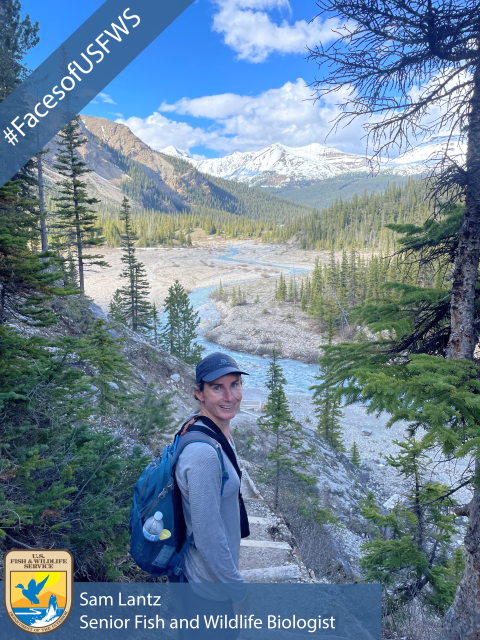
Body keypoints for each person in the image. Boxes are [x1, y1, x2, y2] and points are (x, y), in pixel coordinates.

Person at [170, 352, 250, 638]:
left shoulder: (208, 429)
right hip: (208, 590)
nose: (229, 396)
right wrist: (237, 590)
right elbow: (207, 533)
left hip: (203, 581)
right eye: (217, 387)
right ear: (198, 393)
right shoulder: (203, 453)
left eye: (235, 385)